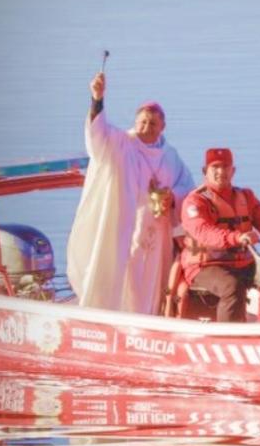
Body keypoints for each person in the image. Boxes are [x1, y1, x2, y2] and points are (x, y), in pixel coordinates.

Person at [67, 72, 194, 314]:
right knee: (127, 277)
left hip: (159, 230)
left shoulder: (170, 154)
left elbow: (187, 186)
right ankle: (123, 318)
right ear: (136, 122)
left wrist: (172, 196)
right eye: (142, 122)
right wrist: (97, 98)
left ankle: (152, 317)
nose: (146, 128)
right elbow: (97, 136)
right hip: (128, 226)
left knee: (155, 280)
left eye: (153, 123)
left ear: (163, 126)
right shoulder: (121, 143)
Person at [180, 148, 260, 322]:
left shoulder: (246, 196)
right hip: (205, 266)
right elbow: (204, 231)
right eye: (215, 167)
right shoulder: (195, 201)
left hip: (243, 263)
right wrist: (235, 237)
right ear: (205, 171)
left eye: (225, 167)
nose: (221, 172)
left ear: (233, 171)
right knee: (231, 286)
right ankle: (226, 338)